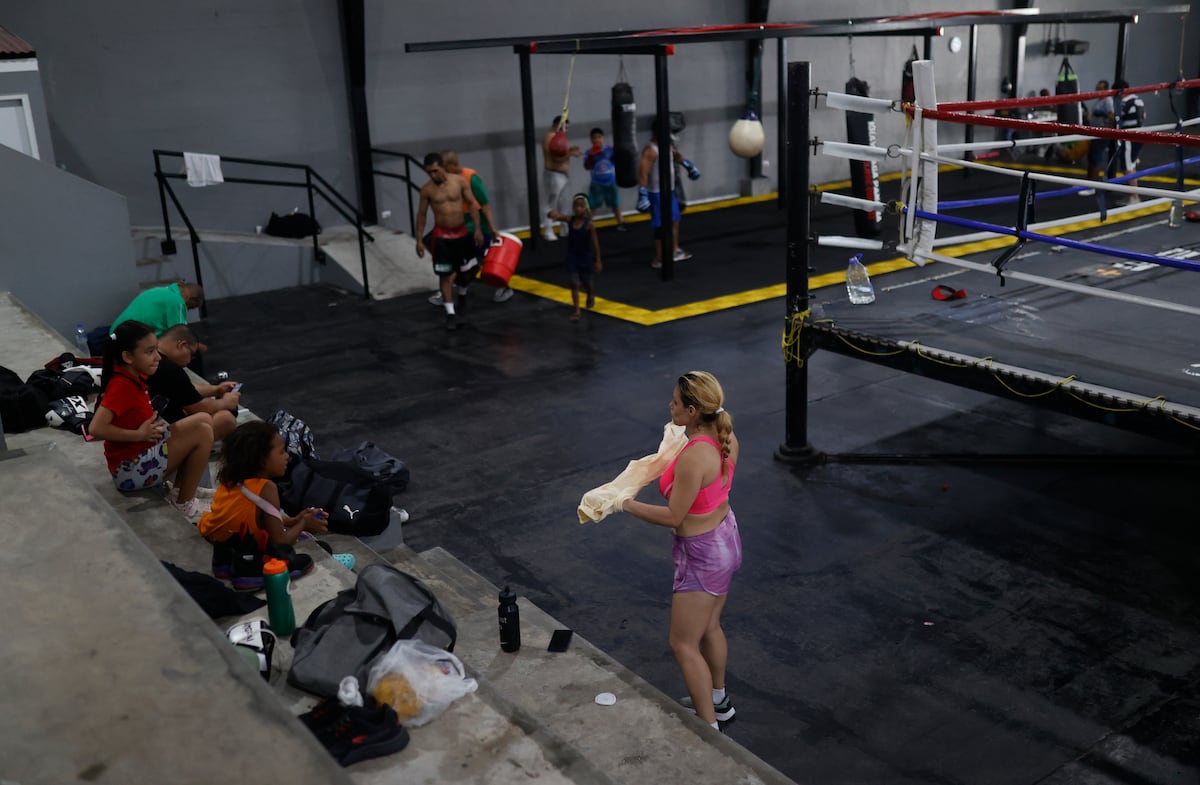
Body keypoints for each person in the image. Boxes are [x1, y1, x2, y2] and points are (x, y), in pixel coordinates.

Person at [618, 371, 741, 731]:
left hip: (703, 556)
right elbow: (717, 488)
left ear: (691, 411)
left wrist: (623, 504)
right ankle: (718, 702)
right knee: (711, 626)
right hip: (726, 537)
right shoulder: (726, 435)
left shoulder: (694, 458)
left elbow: (674, 515)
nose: (668, 405)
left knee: (682, 643)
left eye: (674, 402)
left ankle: (710, 731)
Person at [87, 319, 215, 521]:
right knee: (202, 431)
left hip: (139, 458)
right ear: (128, 357)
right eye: (149, 352)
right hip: (130, 471)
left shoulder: (133, 377)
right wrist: (138, 434)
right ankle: (184, 503)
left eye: (156, 350)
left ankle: (181, 492)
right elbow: (96, 428)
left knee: (203, 419)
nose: (157, 357)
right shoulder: (121, 386)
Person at [197, 420, 327, 591]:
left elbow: (258, 513)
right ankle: (249, 567)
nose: (287, 456)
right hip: (245, 546)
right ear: (261, 460)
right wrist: (305, 524)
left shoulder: (231, 479)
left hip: (219, 541)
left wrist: (294, 520)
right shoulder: (266, 488)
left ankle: (225, 562)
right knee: (322, 549)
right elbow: (281, 541)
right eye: (281, 452)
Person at [427, 149, 514, 305]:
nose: (442, 172)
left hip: (476, 227)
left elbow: (485, 206)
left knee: (482, 259)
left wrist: (492, 229)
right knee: (460, 261)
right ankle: (453, 292)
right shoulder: (446, 182)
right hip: (460, 227)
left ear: (454, 165)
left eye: (445, 167)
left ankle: (504, 287)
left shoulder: (471, 179)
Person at [415, 152, 483, 330]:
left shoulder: (459, 181)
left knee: (467, 271)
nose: (433, 175)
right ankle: (450, 313)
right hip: (442, 237)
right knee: (445, 275)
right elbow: (421, 215)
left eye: (435, 171)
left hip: (461, 233)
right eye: (429, 172)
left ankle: (462, 295)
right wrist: (419, 240)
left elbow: (473, 205)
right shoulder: (427, 190)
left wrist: (477, 229)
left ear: (443, 167)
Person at [148, 324, 240, 442]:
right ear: (181, 345)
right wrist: (226, 402)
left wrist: (215, 389)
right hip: (159, 438)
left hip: (153, 426)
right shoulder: (168, 368)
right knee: (225, 420)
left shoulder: (157, 364)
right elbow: (199, 407)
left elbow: (184, 389)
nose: (190, 360)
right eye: (192, 354)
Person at [638, 127, 700, 269]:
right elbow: (643, 173)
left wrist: (689, 167)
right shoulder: (651, 150)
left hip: (669, 191)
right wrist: (642, 194)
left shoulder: (667, 146)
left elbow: (677, 156)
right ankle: (659, 257)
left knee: (675, 221)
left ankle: (674, 250)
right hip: (656, 193)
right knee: (660, 226)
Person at [547, 193, 603, 321]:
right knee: (574, 283)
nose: (578, 209)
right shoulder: (570, 220)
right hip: (573, 257)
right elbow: (558, 217)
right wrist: (552, 214)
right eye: (576, 206)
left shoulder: (589, 225)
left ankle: (590, 294)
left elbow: (595, 244)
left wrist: (598, 260)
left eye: (581, 206)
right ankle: (577, 311)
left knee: (587, 282)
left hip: (585, 257)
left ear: (586, 208)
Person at [112, 281, 204, 337]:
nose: (186, 310)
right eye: (190, 307)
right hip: (127, 340)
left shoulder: (161, 291)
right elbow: (180, 334)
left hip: (116, 334)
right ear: (190, 299)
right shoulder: (177, 301)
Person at [541, 115, 581, 241]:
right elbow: (555, 158)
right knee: (550, 204)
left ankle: (565, 229)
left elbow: (561, 152)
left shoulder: (559, 137)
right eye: (565, 127)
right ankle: (548, 230)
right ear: (558, 125)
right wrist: (571, 153)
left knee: (564, 203)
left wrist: (570, 151)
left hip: (563, 175)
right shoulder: (550, 137)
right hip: (553, 175)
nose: (566, 131)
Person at [1110, 79, 1146, 203]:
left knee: (1127, 165)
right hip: (1139, 134)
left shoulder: (1125, 102)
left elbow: (1117, 117)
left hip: (1129, 136)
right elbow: (1144, 116)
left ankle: (1134, 197)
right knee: (1131, 164)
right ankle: (1134, 195)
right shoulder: (1138, 100)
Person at [584, 127, 626, 231]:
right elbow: (587, 167)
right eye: (595, 138)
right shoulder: (589, 152)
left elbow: (618, 162)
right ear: (591, 140)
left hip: (610, 182)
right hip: (596, 184)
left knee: (615, 204)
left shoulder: (610, 150)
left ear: (603, 138)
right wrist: (591, 156)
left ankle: (621, 224)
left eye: (599, 137)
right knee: (592, 206)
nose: (597, 140)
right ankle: (586, 226)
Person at [1080, 79, 1114, 193]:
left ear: (1105, 89)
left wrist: (1108, 133)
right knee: (1091, 158)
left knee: (1096, 159)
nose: (1097, 90)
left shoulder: (1108, 100)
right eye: (1097, 88)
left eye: (1100, 89)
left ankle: (1092, 186)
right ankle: (1087, 184)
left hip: (1101, 134)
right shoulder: (1099, 100)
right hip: (1094, 133)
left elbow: (1111, 117)